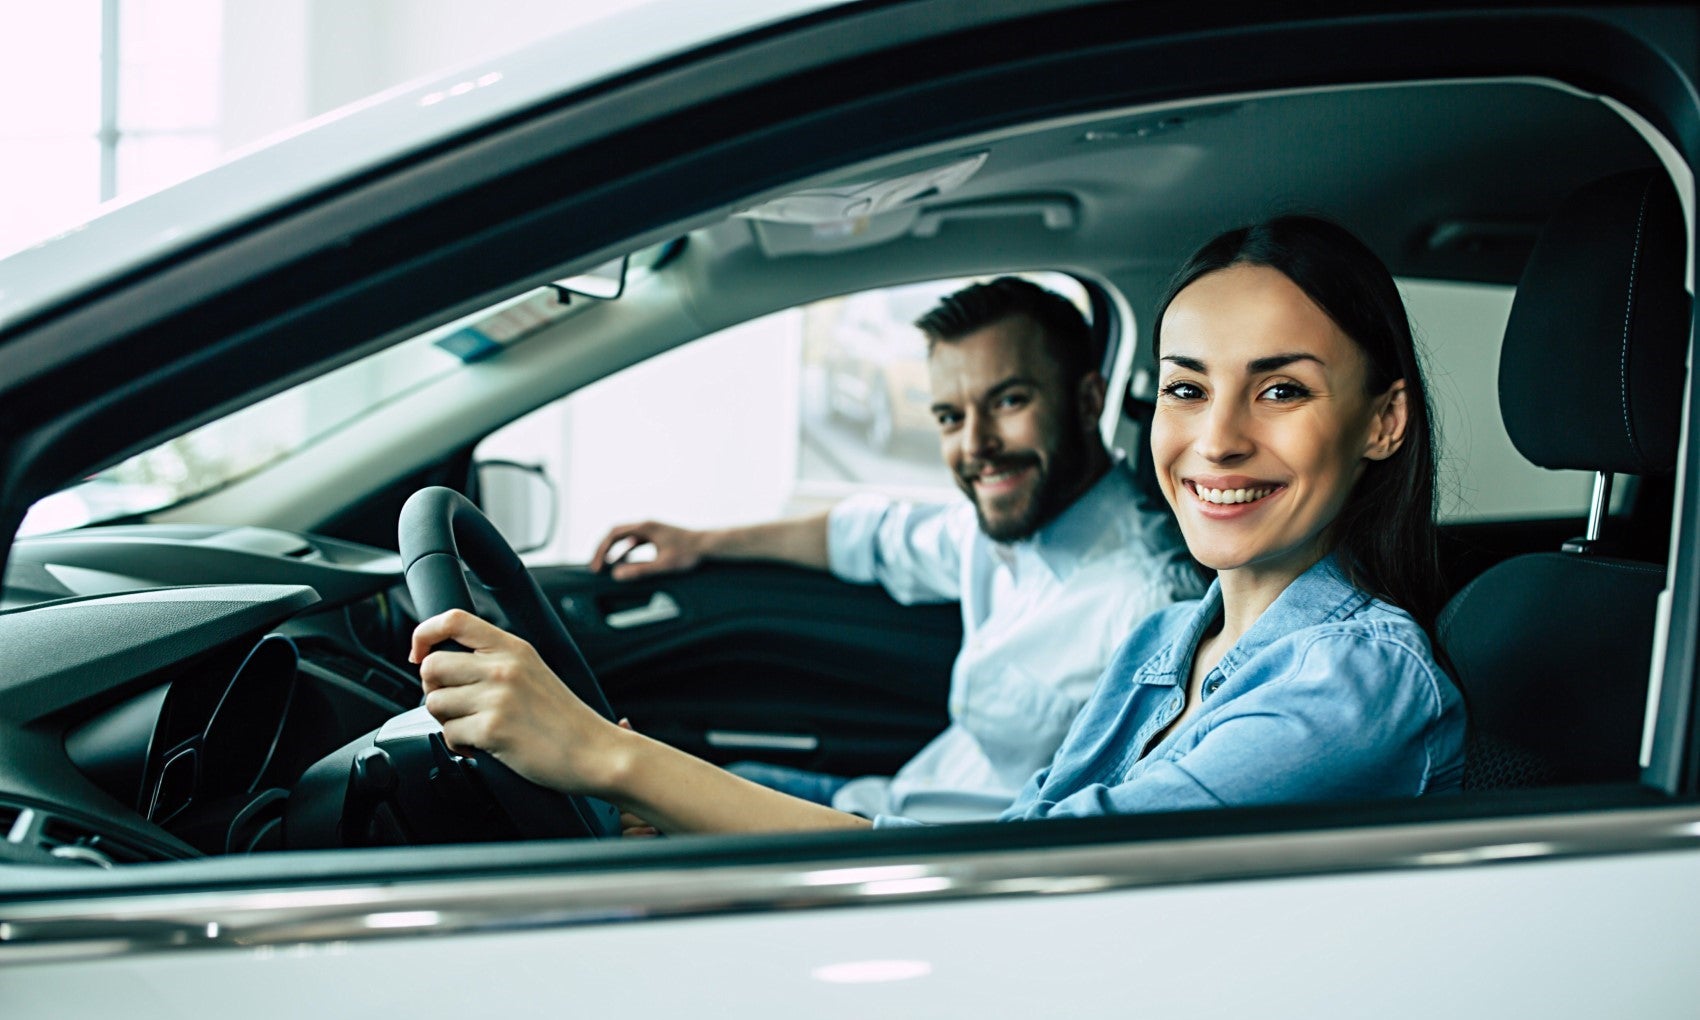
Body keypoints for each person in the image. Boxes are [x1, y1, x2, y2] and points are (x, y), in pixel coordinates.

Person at [410, 217, 1467, 835]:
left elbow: (1028, 874)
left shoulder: (1349, 679)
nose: (1216, 440)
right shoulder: (1172, 641)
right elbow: (880, 538)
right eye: (1188, 391)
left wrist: (606, 757)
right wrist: (703, 550)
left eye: (1278, 392)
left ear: (1381, 422)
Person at [584, 277, 1201, 821]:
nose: (976, 444)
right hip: (886, 799)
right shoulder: (1004, 525)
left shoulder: (1147, 606)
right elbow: (872, 537)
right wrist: (702, 544)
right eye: (950, 418)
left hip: (911, 859)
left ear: (1088, 399)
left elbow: (1096, 834)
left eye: (1009, 401)